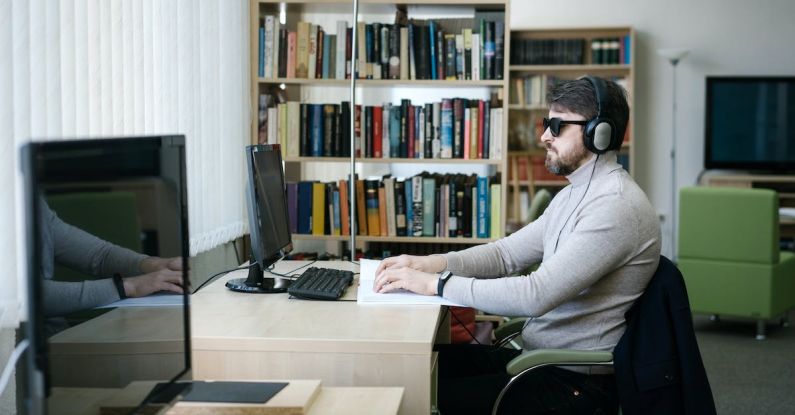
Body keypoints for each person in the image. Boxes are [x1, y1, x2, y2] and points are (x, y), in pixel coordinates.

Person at [374, 76, 661, 414]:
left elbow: (535, 295)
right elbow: (505, 254)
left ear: (599, 133)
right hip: (538, 360)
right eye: (546, 124)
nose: (544, 136)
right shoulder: (575, 193)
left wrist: (436, 284)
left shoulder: (616, 206)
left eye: (557, 126)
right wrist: (431, 264)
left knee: (416, 398)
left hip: (572, 383)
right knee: (417, 367)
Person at [40, 198, 186, 319]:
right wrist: (128, 286)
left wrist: (156, 264)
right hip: (45, 342)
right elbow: (31, 298)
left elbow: (100, 255)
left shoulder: (36, 206)